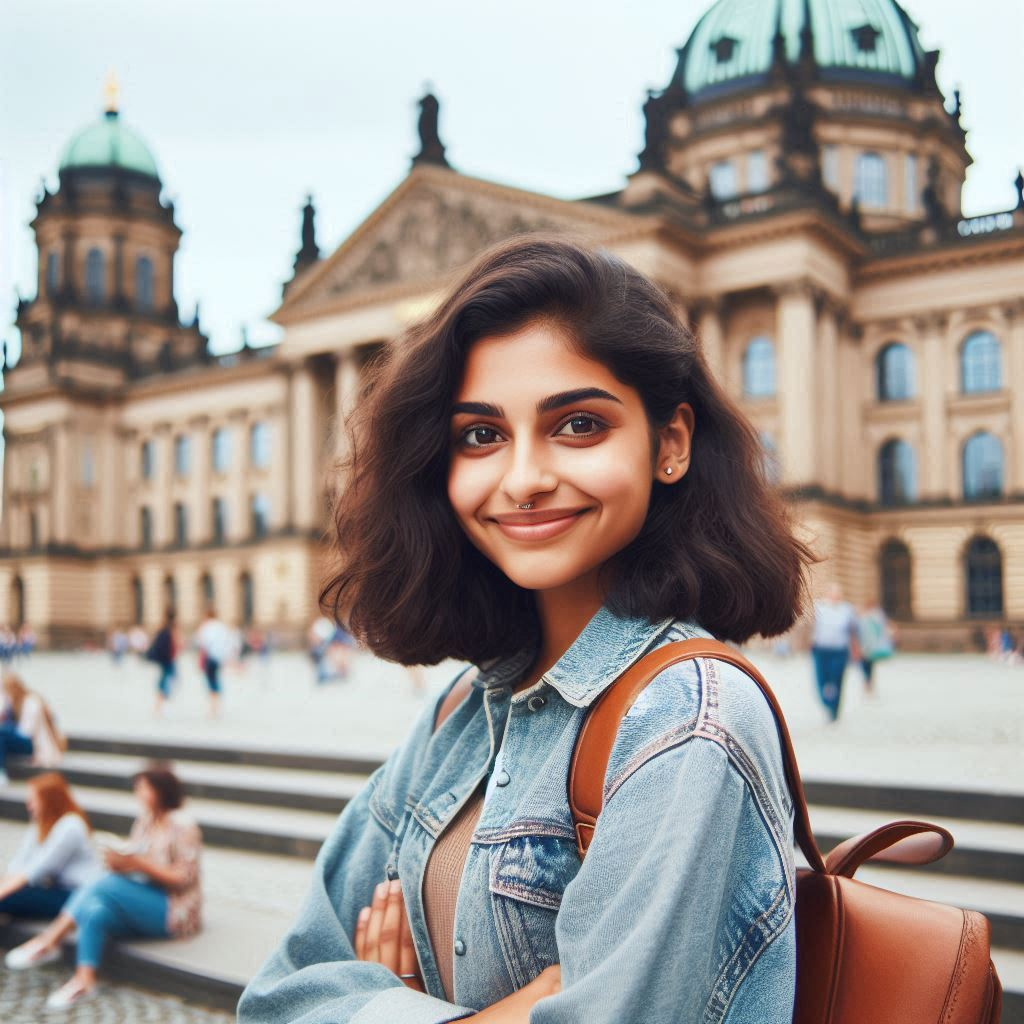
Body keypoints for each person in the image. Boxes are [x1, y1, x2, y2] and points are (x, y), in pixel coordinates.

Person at [238, 237, 816, 1023]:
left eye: (578, 424)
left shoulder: (686, 722)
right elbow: (275, 998)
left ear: (670, 444)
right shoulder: (462, 709)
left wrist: (390, 1005)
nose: (522, 480)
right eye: (481, 434)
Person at [4, 766, 203, 1010]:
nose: (138, 793)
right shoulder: (146, 821)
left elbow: (183, 878)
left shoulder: (183, 825)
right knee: (96, 910)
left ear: (160, 790)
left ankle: (49, 940)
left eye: (142, 788)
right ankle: (84, 979)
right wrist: (123, 862)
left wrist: (136, 864)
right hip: (145, 895)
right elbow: (137, 858)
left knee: (105, 882)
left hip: (174, 908)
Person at [0, 773, 99, 925]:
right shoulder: (41, 823)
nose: (29, 804)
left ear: (49, 800)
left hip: (73, 894)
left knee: (8, 898)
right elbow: (19, 862)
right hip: (52, 887)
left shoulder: (71, 826)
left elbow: (38, 869)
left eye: (33, 800)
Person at [0, 674, 65, 784]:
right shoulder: (14, 704)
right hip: (23, 741)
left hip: (32, 744)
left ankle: (1, 773)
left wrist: (8, 727)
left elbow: (26, 732)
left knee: (3, 732)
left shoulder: (31, 702)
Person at [810, 583, 858, 721]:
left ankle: (835, 708)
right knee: (822, 679)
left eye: (837, 593)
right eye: (832, 592)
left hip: (840, 651)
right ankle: (826, 702)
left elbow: (853, 631)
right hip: (821, 650)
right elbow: (808, 625)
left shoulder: (847, 609)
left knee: (836, 679)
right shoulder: (818, 607)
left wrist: (855, 649)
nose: (835, 595)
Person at [196, 607, 232, 717]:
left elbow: (202, 643)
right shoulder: (221, 626)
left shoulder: (206, 627)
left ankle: (213, 707)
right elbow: (228, 642)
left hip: (210, 657)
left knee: (211, 681)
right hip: (219, 657)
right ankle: (217, 705)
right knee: (216, 679)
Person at [855, 600, 894, 694]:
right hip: (866, 646)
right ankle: (868, 683)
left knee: (866, 666)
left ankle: (867, 683)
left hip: (868, 647)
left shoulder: (872, 617)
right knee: (867, 666)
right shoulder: (870, 617)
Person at [145, 610, 179, 716]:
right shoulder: (173, 628)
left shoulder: (162, 626)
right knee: (169, 679)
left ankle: (160, 702)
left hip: (164, 658)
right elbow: (177, 643)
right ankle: (160, 703)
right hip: (169, 659)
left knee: (167, 679)